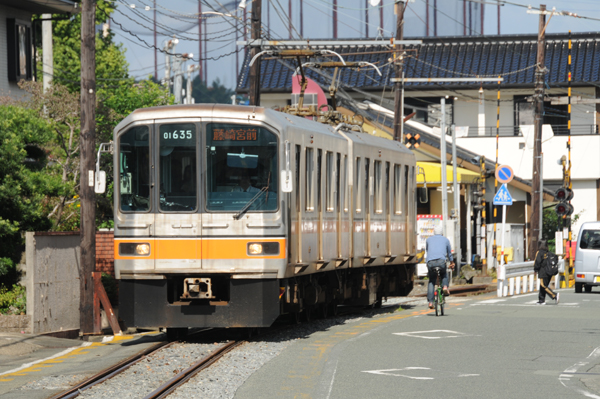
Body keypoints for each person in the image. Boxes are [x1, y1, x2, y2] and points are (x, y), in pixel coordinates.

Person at [425, 224, 455, 309]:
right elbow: (449, 253)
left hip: (430, 262)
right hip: (441, 262)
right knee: (444, 273)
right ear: (442, 233)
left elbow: (427, 251)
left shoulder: (428, 240)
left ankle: (431, 302)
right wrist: (452, 262)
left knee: (431, 281)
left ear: (434, 232)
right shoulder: (445, 240)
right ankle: (445, 286)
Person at [533, 240, 559, 305]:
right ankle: (541, 300)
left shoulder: (540, 253)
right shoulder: (549, 253)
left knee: (543, 285)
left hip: (542, 272)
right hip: (549, 271)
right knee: (543, 286)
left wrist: (535, 269)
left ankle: (555, 295)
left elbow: (537, 262)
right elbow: (556, 258)